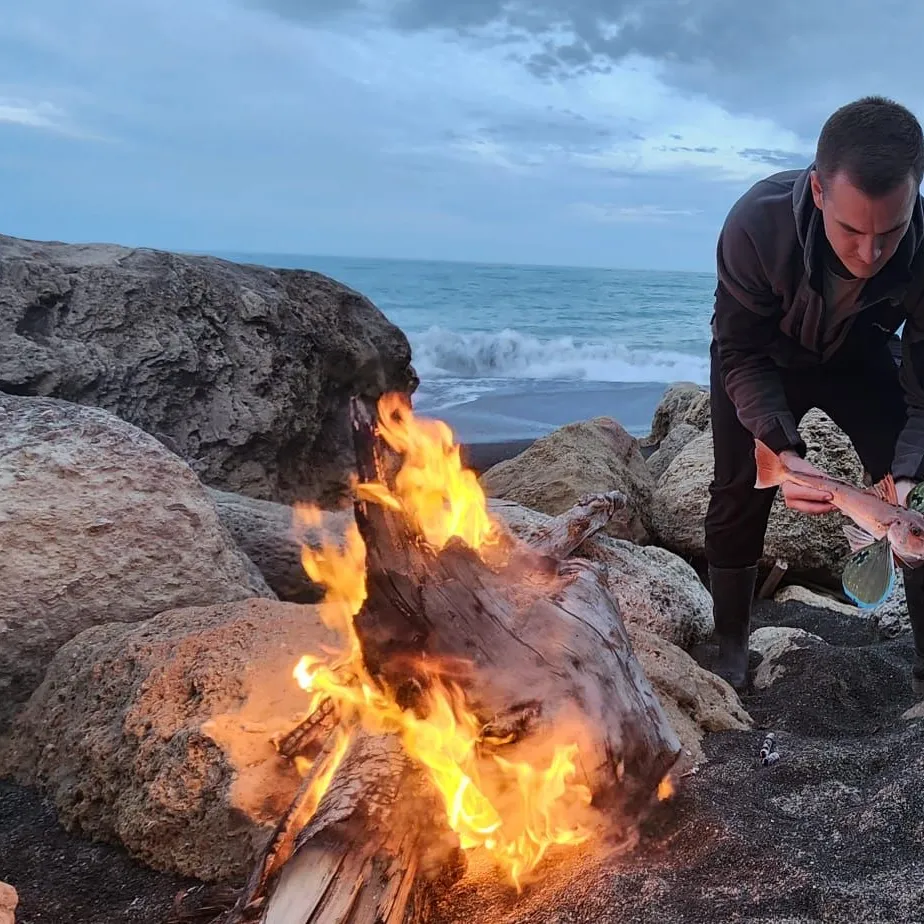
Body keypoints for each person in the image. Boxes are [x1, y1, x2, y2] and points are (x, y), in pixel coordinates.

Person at [703, 95, 924, 692]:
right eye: (852, 229)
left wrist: (904, 477)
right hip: (765, 358)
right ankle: (730, 645)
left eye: (892, 231)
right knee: (736, 487)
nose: (870, 254)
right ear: (819, 191)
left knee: (922, 502)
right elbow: (738, 351)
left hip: (859, 358)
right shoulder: (756, 224)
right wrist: (785, 451)